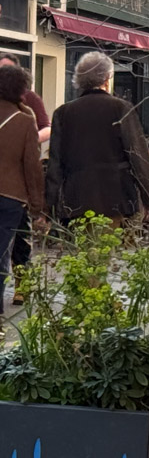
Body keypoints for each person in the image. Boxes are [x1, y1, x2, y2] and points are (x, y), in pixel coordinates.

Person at [46, 52, 149, 226]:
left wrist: (49, 206)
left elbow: (55, 163)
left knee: (82, 249)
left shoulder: (63, 113)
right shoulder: (121, 108)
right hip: (116, 197)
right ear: (107, 78)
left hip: (76, 198)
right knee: (110, 248)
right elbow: (138, 157)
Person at [0, 54, 49, 307]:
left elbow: (46, 125)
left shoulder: (28, 110)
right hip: (11, 194)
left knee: (17, 243)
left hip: (12, 191)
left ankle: (21, 284)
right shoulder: (24, 117)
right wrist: (38, 206)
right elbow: (32, 166)